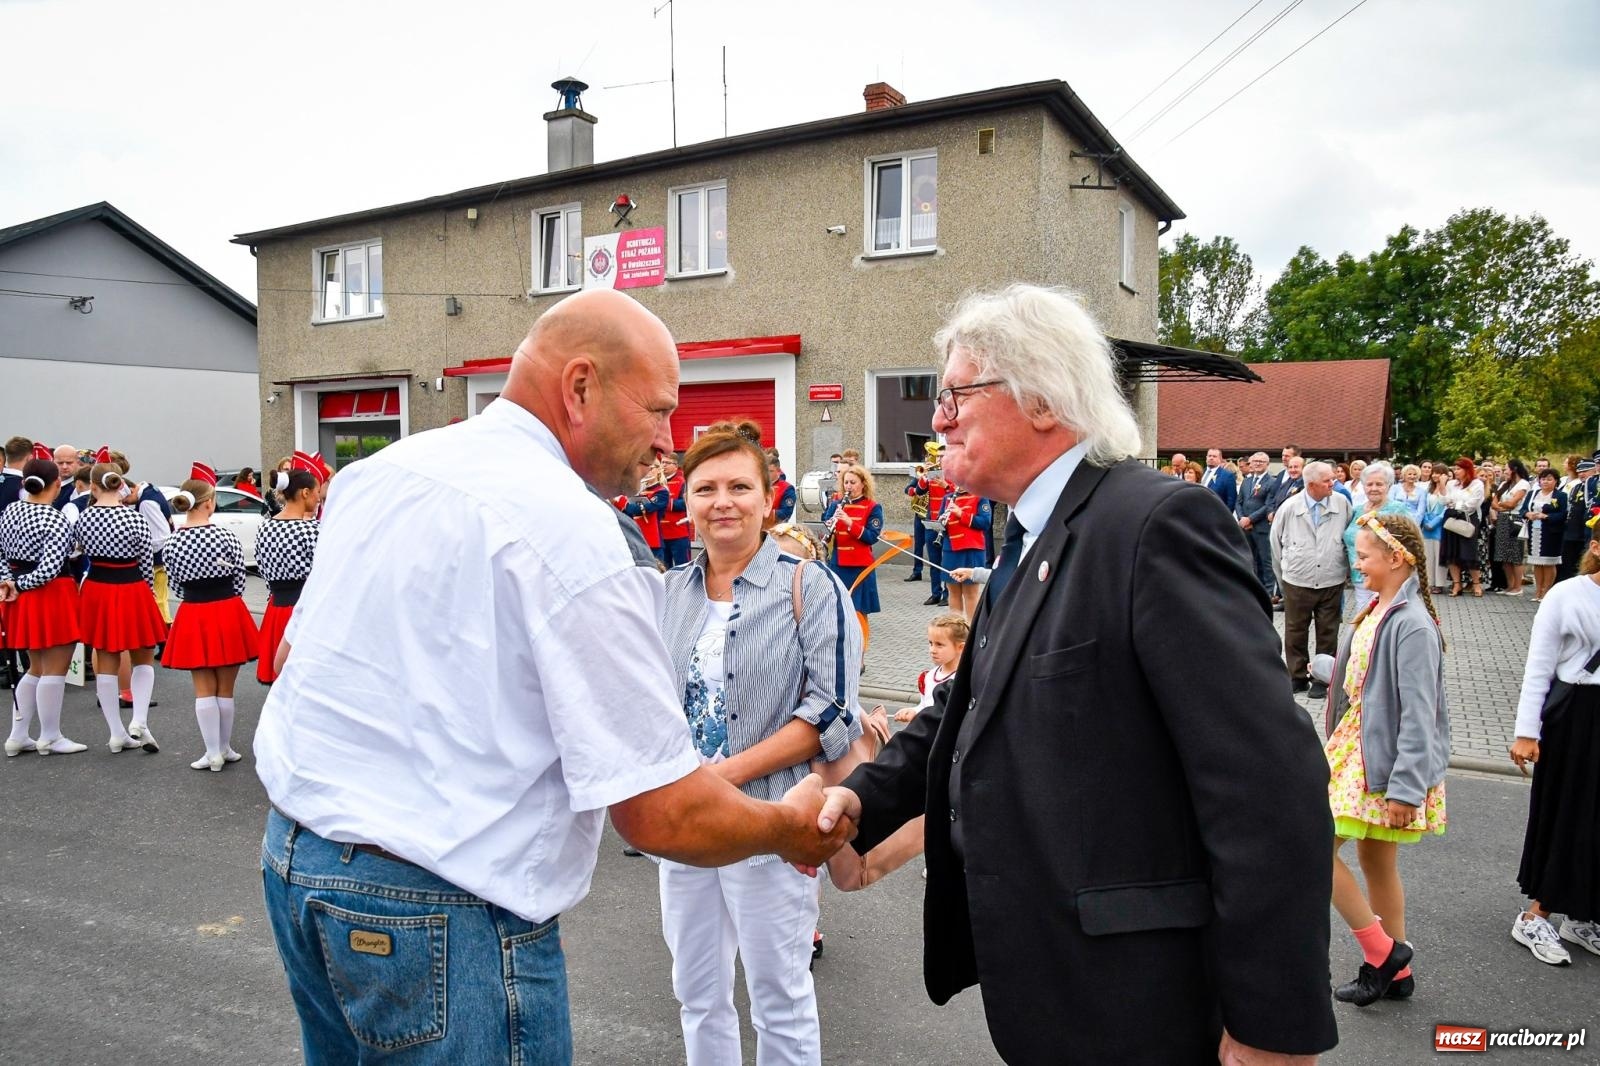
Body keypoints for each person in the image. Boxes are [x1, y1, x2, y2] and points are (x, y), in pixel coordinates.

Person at [255, 289, 852, 1065]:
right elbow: (660, 814)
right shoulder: (572, 531)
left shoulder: (386, 473)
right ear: (579, 388)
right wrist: (789, 826)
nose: (667, 443)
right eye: (659, 410)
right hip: (446, 906)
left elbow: (296, 661)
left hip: (298, 863)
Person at [815, 284, 1337, 1063]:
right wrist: (855, 797)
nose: (937, 418)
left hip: (1141, 1004)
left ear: (1040, 399)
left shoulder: (1154, 525)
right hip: (1054, 994)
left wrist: (1271, 1026)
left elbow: (1269, 785)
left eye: (956, 393)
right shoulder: (1032, 533)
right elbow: (966, 707)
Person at [656, 419, 862, 1066]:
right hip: (688, 825)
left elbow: (830, 710)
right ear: (685, 500)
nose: (723, 502)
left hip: (773, 817)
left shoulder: (808, 584)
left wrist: (722, 776)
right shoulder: (670, 593)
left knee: (779, 994)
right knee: (696, 992)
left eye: (739, 487)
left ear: (769, 498)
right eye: (706, 487)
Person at [1324, 513, 1449, 1006]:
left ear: (1397, 558)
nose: (1358, 566)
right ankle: (1397, 974)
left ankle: (1382, 953)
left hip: (1380, 758)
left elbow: (1421, 714)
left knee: (1313, 847)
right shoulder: (1377, 609)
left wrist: (1406, 788)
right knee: (1376, 859)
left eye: (1365, 557)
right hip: (1357, 746)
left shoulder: (1412, 624)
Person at [1507, 524, 1600, 966]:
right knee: (1568, 812)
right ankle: (1535, 914)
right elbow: (1539, 666)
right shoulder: (1566, 595)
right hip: (1574, 715)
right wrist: (1527, 732)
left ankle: (1583, 916)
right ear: (1596, 548)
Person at [165, 468, 260, 769]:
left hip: (193, 610)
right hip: (227, 608)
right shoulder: (225, 536)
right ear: (209, 503)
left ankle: (212, 753)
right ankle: (225, 747)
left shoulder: (172, 543)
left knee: (203, 686)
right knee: (226, 688)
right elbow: (239, 579)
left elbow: (175, 585)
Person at [74, 462, 165, 752]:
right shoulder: (134, 517)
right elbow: (145, 562)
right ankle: (139, 719)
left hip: (98, 587)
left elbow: (75, 552)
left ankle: (116, 732)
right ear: (119, 484)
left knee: (106, 657)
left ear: (94, 485)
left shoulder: (84, 517)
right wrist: (147, 592)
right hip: (132, 586)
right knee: (144, 656)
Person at [0, 459, 88, 755]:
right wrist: (19, 584)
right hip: (51, 593)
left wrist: (8, 582)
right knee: (55, 667)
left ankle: (18, 735)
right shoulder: (54, 518)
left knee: (35, 666)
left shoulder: (10, 511)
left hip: (20, 595)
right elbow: (50, 568)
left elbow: (1, 554)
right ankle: (50, 736)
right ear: (54, 485)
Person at [1271, 460, 1351, 697]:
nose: (1332, 484)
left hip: (1331, 577)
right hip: (1298, 578)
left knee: (1328, 630)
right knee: (1296, 630)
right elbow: (1275, 544)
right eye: (1327, 481)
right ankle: (1296, 676)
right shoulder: (1290, 507)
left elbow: (1348, 538)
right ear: (1312, 484)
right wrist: (1283, 574)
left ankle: (1322, 678)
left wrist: (1344, 569)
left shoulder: (1342, 503)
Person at [255, 467, 320, 684]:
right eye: (316, 491)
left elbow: (263, 568)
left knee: (281, 679)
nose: (319, 497)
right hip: (306, 610)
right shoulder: (312, 530)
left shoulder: (265, 528)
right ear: (304, 493)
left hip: (276, 608)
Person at [821, 465, 882, 650]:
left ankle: (860, 655)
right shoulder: (835, 505)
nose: (848, 486)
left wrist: (849, 523)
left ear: (863, 484)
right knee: (838, 610)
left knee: (858, 613)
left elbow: (872, 536)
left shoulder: (872, 507)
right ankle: (842, 650)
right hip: (838, 563)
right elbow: (825, 531)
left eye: (853, 483)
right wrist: (827, 529)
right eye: (846, 482)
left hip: (860, 566)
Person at [1344, 463, 1412, 617]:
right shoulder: (1357, 511)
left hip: (1387, 579)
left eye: (1379, 484)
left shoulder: (1398, 510)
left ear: (1388, 486)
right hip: (1360, 577)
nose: (1373, 488)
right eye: (1369, 484)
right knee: (1364, 619)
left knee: (1384, 618)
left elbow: (1411, 544)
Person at [892, 613, 967, 724]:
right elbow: (925, 705)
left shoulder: (963, 679)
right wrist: (913, 711)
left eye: (939, 644)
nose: (932, 649)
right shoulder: (929, 676)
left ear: (960, 647)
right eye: (930, 643)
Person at [935, 483, 990, 621]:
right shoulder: (948, 498)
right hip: (951, 549)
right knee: (952, 591)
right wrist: (941, 523)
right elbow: (941, 522)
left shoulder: (980, 497)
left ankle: (972, 631)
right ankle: (956, 629)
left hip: (970, 549)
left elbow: (985, 522)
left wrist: (961, 514)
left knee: (970, 592)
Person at [1234, 451, 1277, 598]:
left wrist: (1250, 519)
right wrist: (1242, 518)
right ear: (1250, 464)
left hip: (1261, 527)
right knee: (1250, 559)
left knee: (1265, 561)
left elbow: (1268, 505)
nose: (1258, 463)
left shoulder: (1271, 482)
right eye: (1255, 461)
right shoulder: (1246, 481)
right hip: (1245, 527)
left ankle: (1269, 592)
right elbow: (1239, 502)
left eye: (1261, 461)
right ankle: (1254, 590)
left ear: (1267, 464)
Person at [1521, 468, 1567, 602]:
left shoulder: (1560, 496)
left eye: (1549, 479)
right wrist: (1527, 514)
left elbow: (1563, 514)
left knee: (1548, 562)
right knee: (1537, 562)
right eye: (1543, 479)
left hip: (1551, 532)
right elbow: (1523, 509)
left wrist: (1546, 516)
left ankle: (1546, 591)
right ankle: (1538, 590)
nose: (1545, 482)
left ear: (1556, 481)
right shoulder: (1532, 493)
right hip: (1534, 531)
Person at [1442, 457, 1486, 597]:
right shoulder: (1451, 484)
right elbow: (1445, 500)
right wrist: (1455, 503)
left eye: (1458, 469)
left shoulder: (1476, 483)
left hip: (1468, 519)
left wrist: (1455, 503)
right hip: (1451, 518)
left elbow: (1472, 504)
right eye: (1455, 468)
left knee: (1469, 551)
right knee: (1452, 552)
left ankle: (1476, 584)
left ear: (1467, 470)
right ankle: (1457, 584)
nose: (1455, 471)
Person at [1491, 459, 1532, 596]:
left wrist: (1502, 505)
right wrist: (1504, 504)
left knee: (1516, 554)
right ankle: (1510, 586)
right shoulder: (1504, 484)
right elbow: (1494, 504)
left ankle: (1518, 586)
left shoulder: (1523, 484)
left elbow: (1513, 504)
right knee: (1504, 555)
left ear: (1514, 469)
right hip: (1503, 519)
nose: (1505, 472)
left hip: (1515, 520)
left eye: (1506, 469)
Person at [1557, 454, 1591, 581]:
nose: (1582, 474)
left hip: (1584, 533)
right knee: (1566, 564)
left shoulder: (1592, 487)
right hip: (1571, 532)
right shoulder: (1577, 486)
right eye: (1580, 471)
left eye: (1585, 471)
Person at [659, 452, 693, 565]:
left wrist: (665, 503)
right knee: (665, 568)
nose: (663, 465)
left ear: (676, 465)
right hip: (661, 533)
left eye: (667, 463)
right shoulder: (657, 481)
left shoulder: (682, 481)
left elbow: (686, 503)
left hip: (678, 532)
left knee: (682, 566)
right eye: (662, 462)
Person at [1421, 468, 1448, 594]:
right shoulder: (1428, 489)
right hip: (1427, 524)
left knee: (1439, 554)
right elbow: (1424, 506)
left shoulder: (1448, 488)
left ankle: (1440, 583)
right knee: (1428, 554)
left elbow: (1447, 506)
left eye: (1439, 473)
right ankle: (1429, 582)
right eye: (1434, 473)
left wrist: (1435, 521)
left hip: (1440, 524)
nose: (1435, 475)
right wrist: (1426, 520)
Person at [765, 449, 796, 530]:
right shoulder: (759, 485)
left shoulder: (787, 488)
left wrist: (764, 514)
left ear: (778, 471)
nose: (767, 474)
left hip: (776, 531)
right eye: (765, 471)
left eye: (770, 471)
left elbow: (786, 513)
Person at [1200, 446, 1237, 511]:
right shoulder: (1200, 472)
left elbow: (1231, 500)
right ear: (1206, 458)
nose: (1211, 458)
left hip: (1216, 514)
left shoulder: (1227, 476)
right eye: (1209, 456)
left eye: (1214, 456)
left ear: (1220, 459)